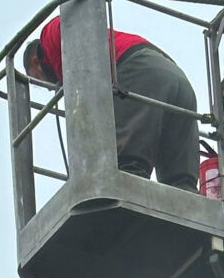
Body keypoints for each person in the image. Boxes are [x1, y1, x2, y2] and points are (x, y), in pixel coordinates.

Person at [25, 17, 198, 191]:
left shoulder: (50, 35)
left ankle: (127, 211)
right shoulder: (80, 68)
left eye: (38, 78)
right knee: (181, 182)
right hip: (176, 77)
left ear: (35, 61)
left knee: (127, 168)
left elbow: (77, 14)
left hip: (138, 69)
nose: (48, 87)